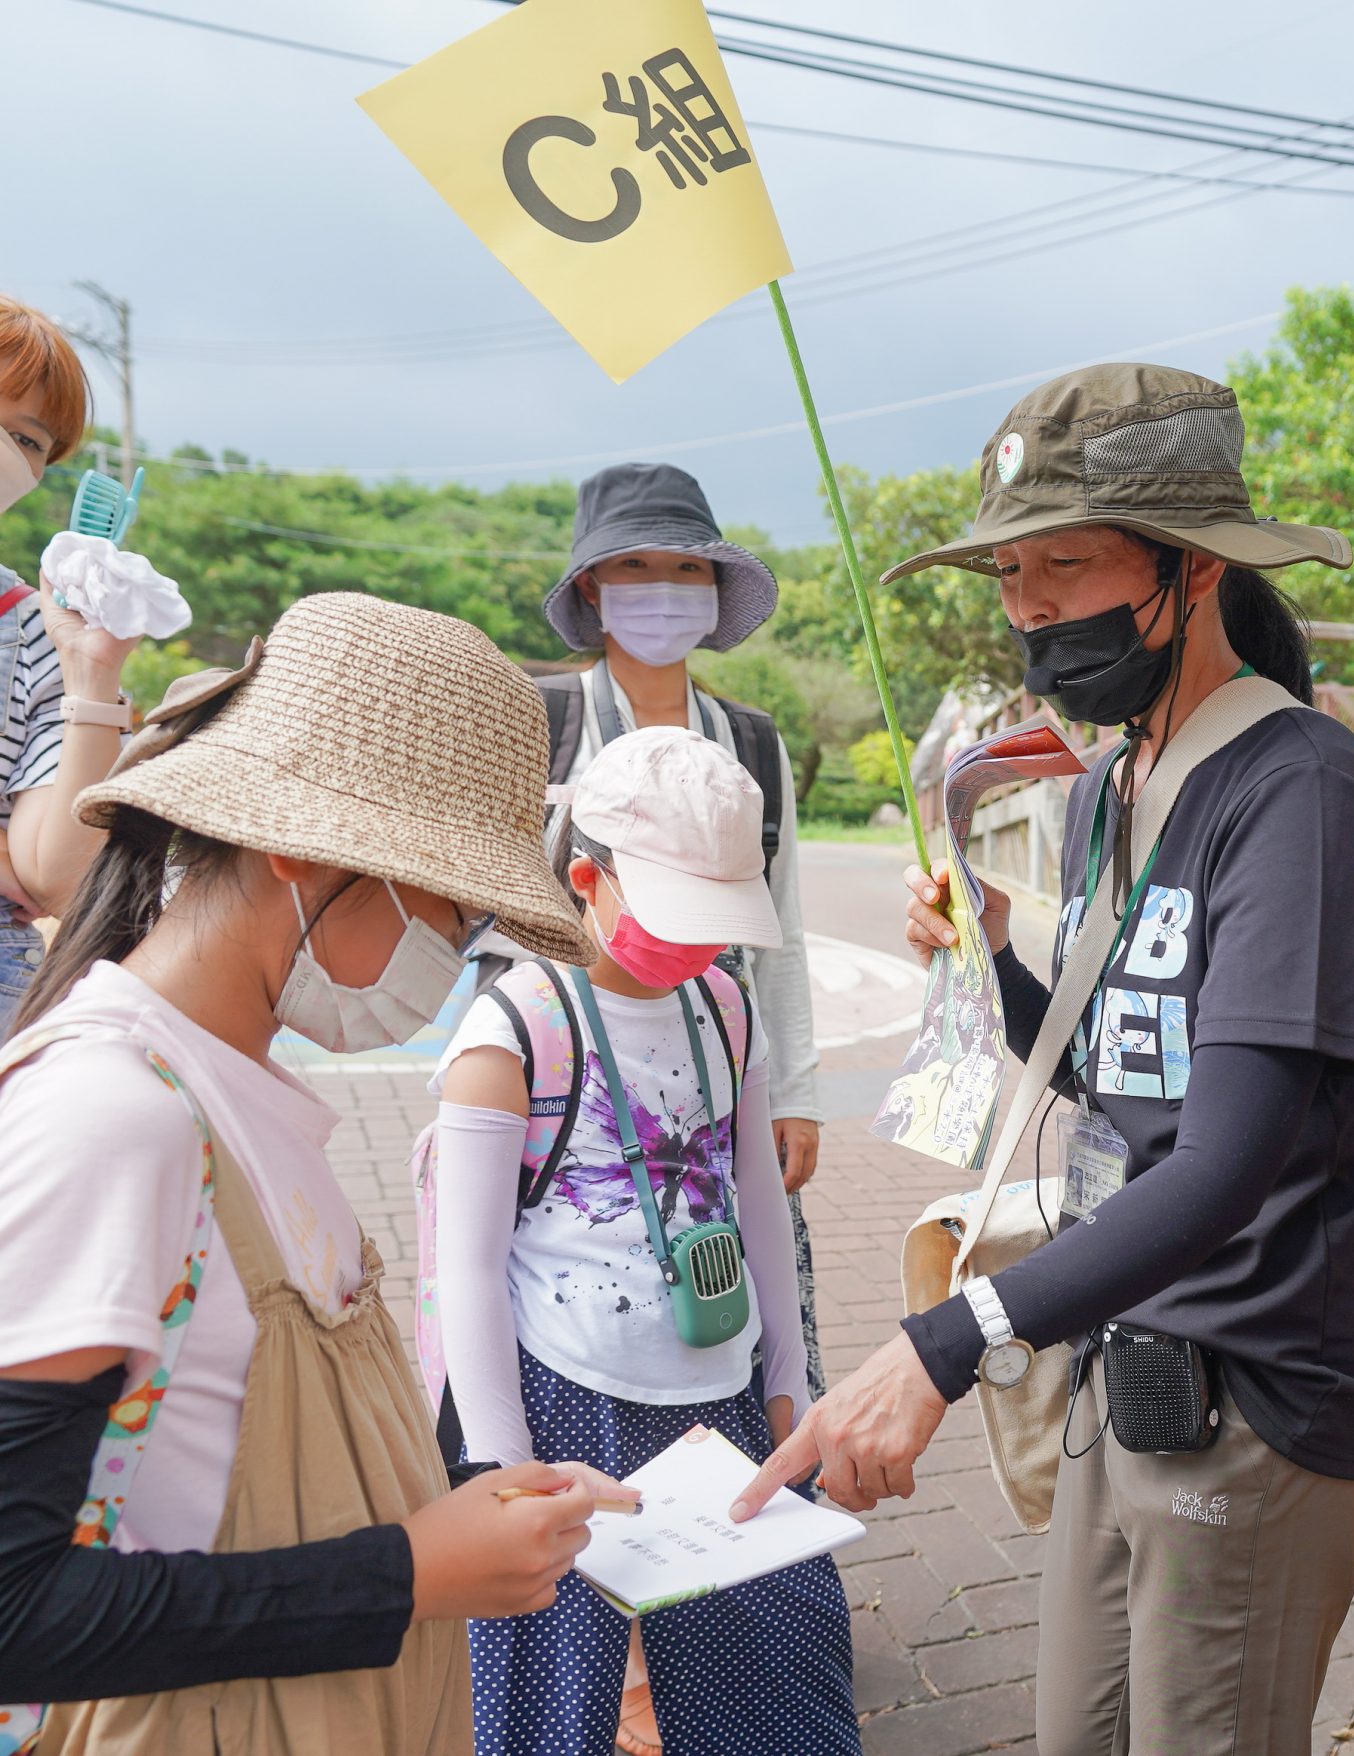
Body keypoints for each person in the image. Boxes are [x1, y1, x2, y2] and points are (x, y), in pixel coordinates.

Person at [737, 365, 1354, 1755]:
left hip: (1265, 1387)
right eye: (1007, 570)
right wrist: (995, 946)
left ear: (1190, 569)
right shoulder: (1111, 787)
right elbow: (1106, 1078)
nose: (1030, 602)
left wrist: (946, 1344)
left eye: (1066, 560)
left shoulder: (1295, 791)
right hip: (1128, 1359)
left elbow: (1228, 1162)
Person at [0, 592, 628, 1755]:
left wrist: (447, 1518)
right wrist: (403, 1573)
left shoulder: (237, 1095)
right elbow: (16, 1613)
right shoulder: (110, 1115)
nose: (454, 945)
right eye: (449, 898)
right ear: (297, 844)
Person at [434, 725, 856, 1756]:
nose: (698, 948)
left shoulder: (725, 1005)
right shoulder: (513, 1031)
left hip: (720, 1390)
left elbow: (760, 1198)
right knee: (553, 1695)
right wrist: (501, 1459)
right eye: (678, 918)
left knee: (775, 1671)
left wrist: (787, 1370)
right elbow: (469, 1269)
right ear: (587, 877)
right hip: (567, 1391)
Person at [514, 461, 832, 1755]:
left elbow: (790, 924)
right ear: (593, 591)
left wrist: (792, 1086)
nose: (663, 593)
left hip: (716, 1069)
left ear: (718, 591)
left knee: (723, 1334)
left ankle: (707, 1615)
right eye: (639, 571)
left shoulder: (748, 739)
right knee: (588, 1362)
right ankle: (623, 1662)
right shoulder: (542, 726)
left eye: (688, 570)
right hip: (580, 1090)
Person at [0, 297, 152, 1024]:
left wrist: (93, 673)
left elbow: (55, 877)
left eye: (27, 440)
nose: (5, 450)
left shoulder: (30, 626)